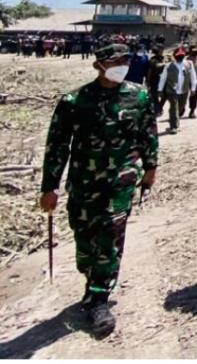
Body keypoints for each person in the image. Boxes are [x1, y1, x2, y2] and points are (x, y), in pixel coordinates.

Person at [39, 43, 158, 338]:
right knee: (84, 237)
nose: (122, 64)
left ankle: (98, 299)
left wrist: (151, 168)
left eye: (125, 59)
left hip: (120, 183)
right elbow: (57, 146)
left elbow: (147, 134)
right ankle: (92, 277)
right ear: (99, 65)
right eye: (115, 60)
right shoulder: (75, 101)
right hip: (83, 185)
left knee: (108, 237)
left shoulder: (138, 95)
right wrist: (49, 187)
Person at [158, 47, 195, 134]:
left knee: (181, 107)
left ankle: (174, 121)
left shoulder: (189, 64)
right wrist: (159, 90)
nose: (180, 57)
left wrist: (193, 88)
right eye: (178, 56)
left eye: (181, 55)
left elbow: (193, 77)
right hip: (171, 90)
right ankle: (173, 126)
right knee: (174, 107)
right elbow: (163, 78)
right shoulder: (168, 66)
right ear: (175, 56)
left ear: (184, 55)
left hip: (184, 90)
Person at [146, 44, 167, 117]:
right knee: (155, 96)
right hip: (155, 80)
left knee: (165, 95)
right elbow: (149, 72)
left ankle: (159, 108)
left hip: (163, 80)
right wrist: (148, 82)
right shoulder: (153, 60)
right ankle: (157, 110)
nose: (162, 51)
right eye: (161, 49)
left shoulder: (163, 58)